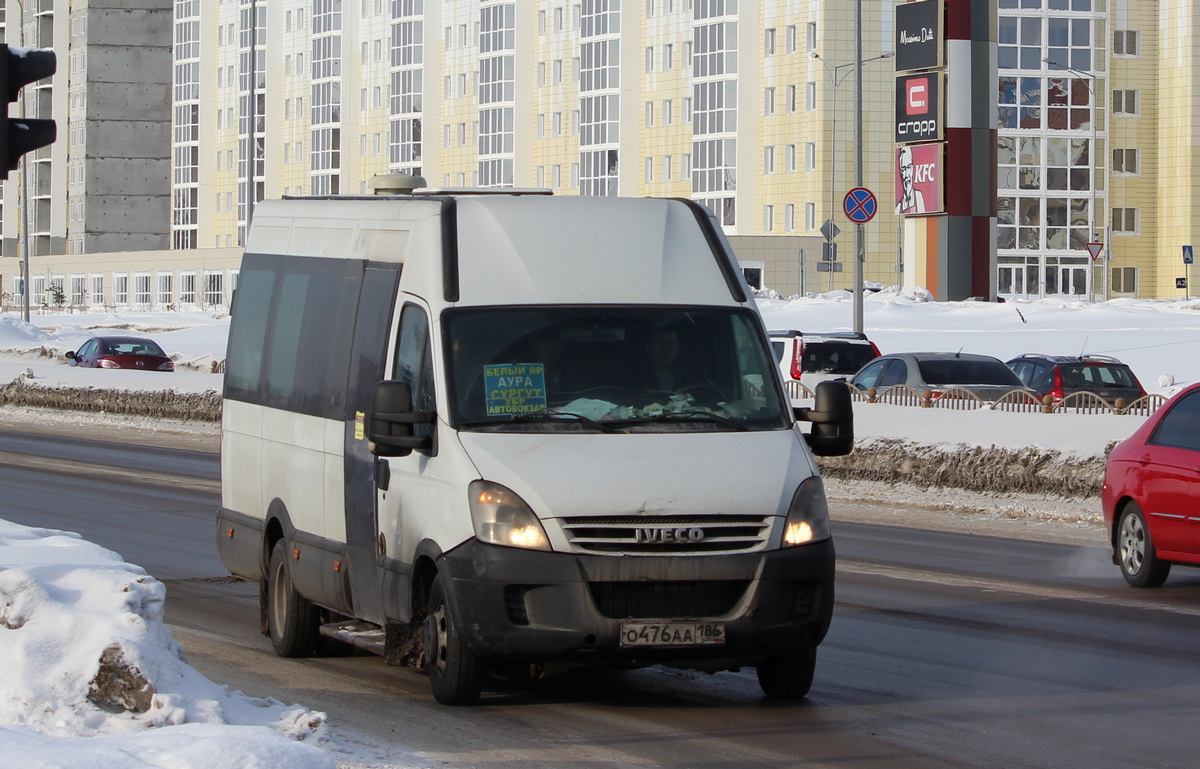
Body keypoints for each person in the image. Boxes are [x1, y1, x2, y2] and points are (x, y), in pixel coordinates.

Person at [895, 145, 928, 215]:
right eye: (903, 169)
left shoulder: (918, 196)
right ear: (900, 172)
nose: (907, 174)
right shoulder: (898, 208)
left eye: (909, 167)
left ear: (912, 169)